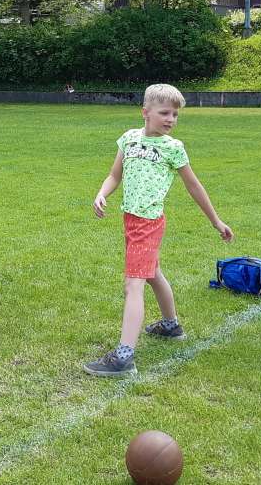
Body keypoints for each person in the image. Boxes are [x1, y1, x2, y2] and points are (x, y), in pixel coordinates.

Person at [83, 84, 234, 377]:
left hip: (148, 223)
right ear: (145, 112)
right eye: (165, 113)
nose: (171, 119)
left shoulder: (173, 148)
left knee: (133, 284)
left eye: (175, 114)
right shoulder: (128, 139)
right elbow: (115, 174)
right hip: (130, 220)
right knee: (152, 274)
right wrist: (102, 193)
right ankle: (170, 325)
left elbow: (194, 186)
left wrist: (216, 221)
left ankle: (123, 358)